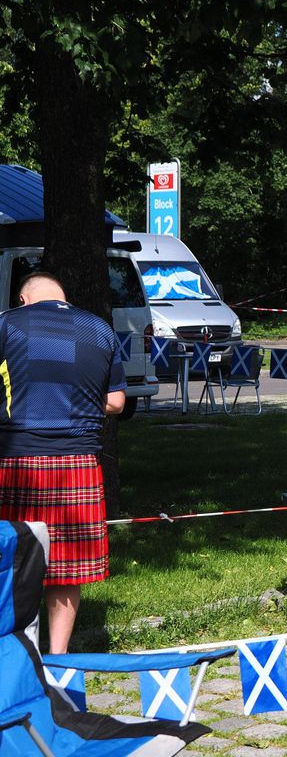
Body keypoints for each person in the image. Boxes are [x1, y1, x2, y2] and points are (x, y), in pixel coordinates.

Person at [0, 272, 126, 653]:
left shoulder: (6, 324)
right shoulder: (99, 330)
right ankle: (58, 658)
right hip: (79, 461)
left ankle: (17, 652)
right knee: (66, 565)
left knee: (12, 559)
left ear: (23, 299)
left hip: (17, 458)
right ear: (63, 296)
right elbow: (117, 402)